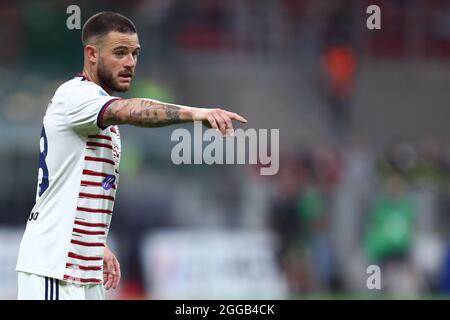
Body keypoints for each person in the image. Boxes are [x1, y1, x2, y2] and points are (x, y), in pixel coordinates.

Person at [16, 11, 247, 300]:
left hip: (81, 265)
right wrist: (195, 113)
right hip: (54, 266)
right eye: (120, 53)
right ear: (92, 54)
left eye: (135, 54)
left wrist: (95, 244)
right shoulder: (76, 95)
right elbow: (130, 110)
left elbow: (74, 183)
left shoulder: (95, 109)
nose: (130, 63)